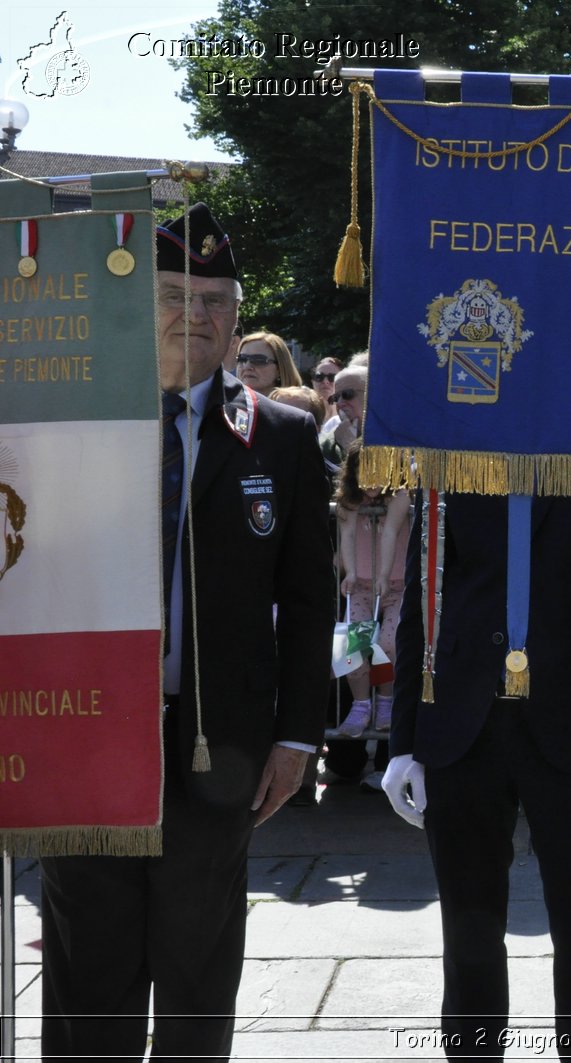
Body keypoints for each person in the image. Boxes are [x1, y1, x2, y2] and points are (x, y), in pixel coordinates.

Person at [37, 203, 332, 1060]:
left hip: (218, 746)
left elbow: (311, 599)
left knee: (200, 970)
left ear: (238, 317)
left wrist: (296, 735)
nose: (193, 316)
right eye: (174, 293)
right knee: (88, 967)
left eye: (214, 299)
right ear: (140, 303)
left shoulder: (280, 436)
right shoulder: (73, 414)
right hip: (86, 729)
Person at [381, 492, 571, 1057]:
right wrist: (404, 740)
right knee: (468, 932)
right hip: (463, 720)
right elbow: (424, 598)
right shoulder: (459, 443)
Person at [335, 442, 409, 736]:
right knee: (352, 648)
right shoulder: (350, 500)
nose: (372, 484)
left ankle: (386, 700)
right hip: (362, 586)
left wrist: (384, 574)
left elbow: (390, 531)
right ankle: (361, 704)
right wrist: (350, 572)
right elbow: (348, 534)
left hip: (396, 585)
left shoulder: (400, 496)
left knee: (389, 644)